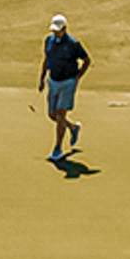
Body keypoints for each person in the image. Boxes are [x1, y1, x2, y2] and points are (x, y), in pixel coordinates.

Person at [39, 13, 89, 162]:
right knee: (52, 115)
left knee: (60, 115)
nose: (55, 32)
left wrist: (77, 78)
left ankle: (57, 149)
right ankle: (73, 128)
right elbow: (46, 60)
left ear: (65, 28)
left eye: (58, 30)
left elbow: (86, 60)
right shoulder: (49, 41)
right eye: (53, 30)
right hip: (53, 81)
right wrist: (41, 78)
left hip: (67, 82)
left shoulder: (73, 44)